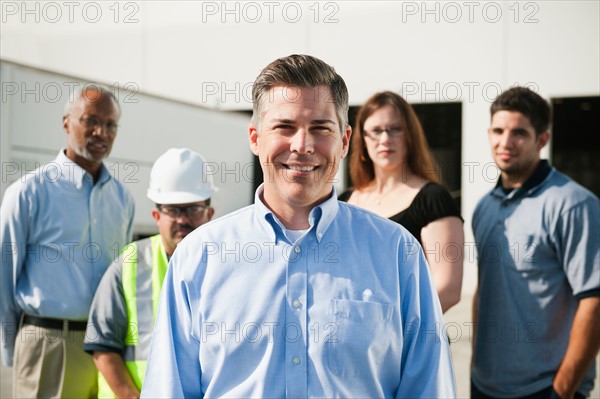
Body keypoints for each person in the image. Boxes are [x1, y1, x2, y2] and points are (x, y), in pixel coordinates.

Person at [141, 54, 455, 398]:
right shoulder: (199, 257)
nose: (302, 146)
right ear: (255, 137)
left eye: (320, 128)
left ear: (345, 140)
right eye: (284, 127)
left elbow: (429, 388)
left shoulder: (397, 253)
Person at [0, 85, 135, 397]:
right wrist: (12, 350)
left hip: (106, 350)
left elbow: (120, 280)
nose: (101, 132)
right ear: (66, 123)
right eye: (90, 120)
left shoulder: (122, 199)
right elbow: (4, 279)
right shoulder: (29, 193)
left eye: (111, 124)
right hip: (48, 345)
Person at [471, 86, 600, 398]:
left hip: (546, 388)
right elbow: (484, 288)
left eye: (519, 133)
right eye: (498, 131)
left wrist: (562, 391)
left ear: (542, 139)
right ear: (489, 133)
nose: (505, 142)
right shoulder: (484, 207)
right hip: (485, 386)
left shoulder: (573, 204)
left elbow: (594, 302)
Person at [83, 147, 217, 398]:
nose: (182, 219)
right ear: (157, 216)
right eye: (173, 210)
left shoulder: (224, 267)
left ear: (209, 214)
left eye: (192, 209)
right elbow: (102, 347)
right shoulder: (129, 264)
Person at [339, 91, 464, 313]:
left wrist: (390, 329)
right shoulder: (344, 202)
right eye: (376, 131)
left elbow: (448, 289)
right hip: (354, 341)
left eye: (395, 129)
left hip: (411, 341)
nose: (385, 139)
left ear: (410, 135)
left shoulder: (433, 199)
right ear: (362, 139)